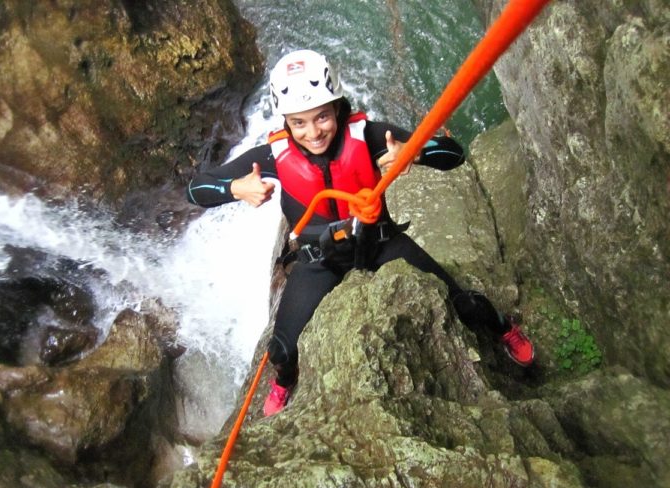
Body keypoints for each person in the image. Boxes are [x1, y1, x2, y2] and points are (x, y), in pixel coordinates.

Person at [188, 50, 534, 417]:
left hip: (379, 242)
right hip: (318, 257)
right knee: (282, 351)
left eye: (322, 116)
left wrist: (412, 154)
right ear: (285, 120)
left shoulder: (368, 135)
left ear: (337, 107)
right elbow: (196, 191)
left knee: (462, 301)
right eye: (299, 122)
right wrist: (236, 189)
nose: (313, 131)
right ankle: (285, 382)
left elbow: (453, 153)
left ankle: (503, 328)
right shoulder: (272, 156)